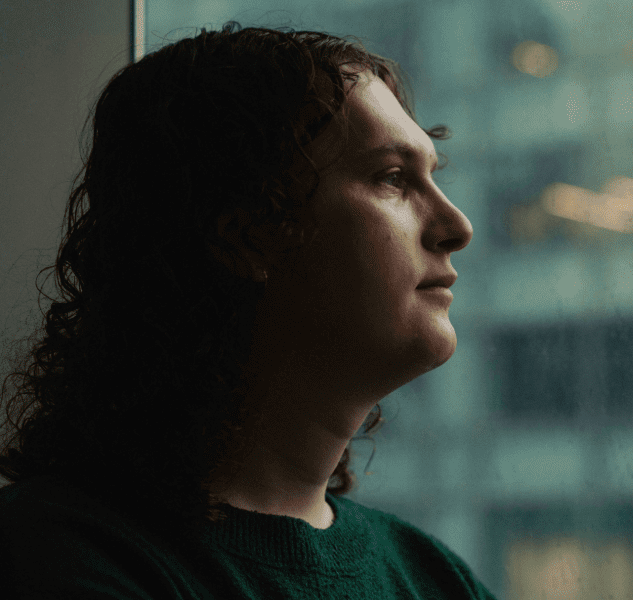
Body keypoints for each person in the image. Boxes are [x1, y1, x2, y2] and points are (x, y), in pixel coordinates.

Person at [0, 22, 494, 599]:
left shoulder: (436, 577)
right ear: (248, 234)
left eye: (434, 177)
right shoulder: (55, 559)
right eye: (391, 178)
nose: (458, 227)